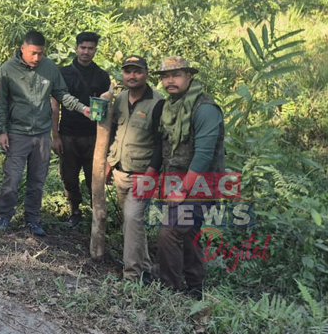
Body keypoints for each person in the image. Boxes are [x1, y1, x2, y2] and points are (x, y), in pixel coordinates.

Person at [0, 30, 90, 237]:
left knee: (37, 181)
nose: (37, 58)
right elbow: (0, 103)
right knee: (12, 179)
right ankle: (4, 217)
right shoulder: (7, 69)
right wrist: (1, 131)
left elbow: (62, 94)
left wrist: (82, 108)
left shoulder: (49, 68)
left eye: (40, 53)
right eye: (33, 53)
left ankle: (33, 219)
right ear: (23, 49)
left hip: (42, 134)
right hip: (17, 133)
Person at [152, 56, 225, 298]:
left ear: (189, 76)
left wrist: (182, 191)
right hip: (175, 180)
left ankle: (170, 289)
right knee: (189, 231)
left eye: (176, 75)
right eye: (165, 76)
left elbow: (203, 155)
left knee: (170, 230)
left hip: (200, 184)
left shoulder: (205, 109)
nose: (170, 81)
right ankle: (195, 288)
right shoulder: (169, 107)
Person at [105, 55, 164, 282]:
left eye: (137, 71)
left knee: (131, 217)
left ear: (146, 74)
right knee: (132, 223)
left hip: (142, 174)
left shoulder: (157, 102)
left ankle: (132, 275)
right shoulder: (120, 98)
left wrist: (152, 172)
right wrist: (109, 163)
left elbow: (161, 142)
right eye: (128, 71)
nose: (132, 76)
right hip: (120, 171)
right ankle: (146, 266)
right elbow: (113, 132)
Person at [51, 32, 111, 227]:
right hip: (68, 133)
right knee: (69, 176)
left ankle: (97, 214)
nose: (86, 52)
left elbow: (107, 108)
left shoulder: (102, 76)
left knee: (95, 177)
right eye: (83, 47)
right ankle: (74, 211)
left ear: (95, 50)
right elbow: (55, 105)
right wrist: (55, 136)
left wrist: (107, 142)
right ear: (76, 48)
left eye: (90, 48)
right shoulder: (63, 73)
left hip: (94, 136)